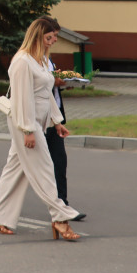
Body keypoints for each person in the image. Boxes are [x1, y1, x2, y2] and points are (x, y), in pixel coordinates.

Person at [0, 17, 81, 241]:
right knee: (45, 168)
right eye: (49, 37)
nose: (53, 41)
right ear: (38, 36)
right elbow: (22, 98)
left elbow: (46, 93)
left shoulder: (39, 60)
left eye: (54, 37)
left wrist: (57, 121)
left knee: (14, 170)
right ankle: (60, 217)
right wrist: (28, 129)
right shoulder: (22, 61)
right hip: (24, 121)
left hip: (38, 120)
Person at [47, 54, 84, 220]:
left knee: (59, 161)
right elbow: (33, 87)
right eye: (50, 36)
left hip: (54, 119)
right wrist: (52, 81)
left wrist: (63, 83)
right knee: (21, 165)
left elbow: (51, 84)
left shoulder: (48, 58)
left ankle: (63, 205)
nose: (54, 40)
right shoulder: (30, 57)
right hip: (38, 120)